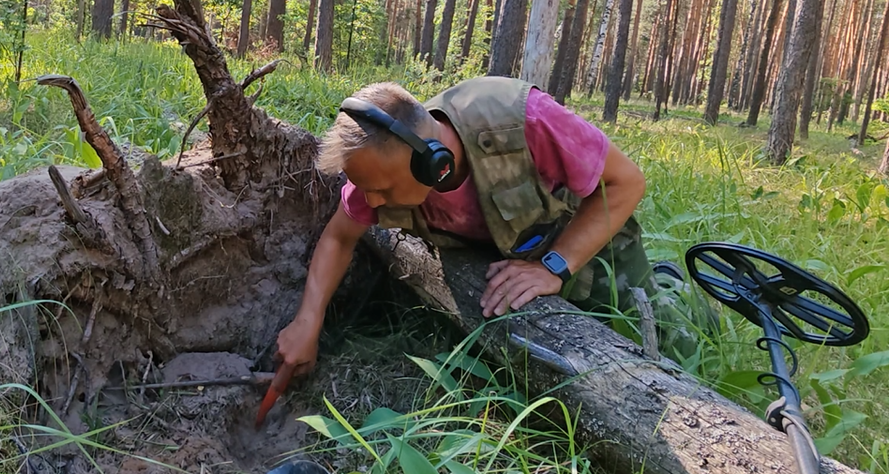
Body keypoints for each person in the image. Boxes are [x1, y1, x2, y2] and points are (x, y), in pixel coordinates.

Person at [276, 76, 683, 376]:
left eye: (381, 190)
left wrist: (554, 266)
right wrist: (307, 322)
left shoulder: (522, 118)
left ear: (433, 162)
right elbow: (338, 236)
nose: (372, 202)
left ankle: (678, 289)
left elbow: (627, 181)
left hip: (600, 252)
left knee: (671, 346)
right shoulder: (376, 171)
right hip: (512, 257)